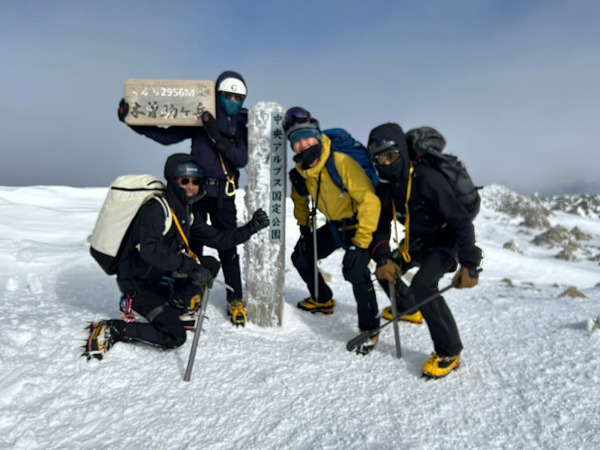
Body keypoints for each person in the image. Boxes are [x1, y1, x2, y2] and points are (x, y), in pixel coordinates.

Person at [83, 153, 269, 360]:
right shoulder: (156, 209)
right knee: (174, 336)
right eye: (184, 181)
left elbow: (218, 240)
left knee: (209, 264)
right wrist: (189, 267)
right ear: (172, 181)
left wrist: (251, 228)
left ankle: (178, 306)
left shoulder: (186, 213)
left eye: (195, 181)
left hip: (162, 277)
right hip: (139, 285)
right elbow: (149, 249)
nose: (191, 186)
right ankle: (113, 328)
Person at [118, 71, 250, 325]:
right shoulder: (199, 115)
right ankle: (192, 293)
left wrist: (214, 133)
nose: (233, 100)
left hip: (224, 193)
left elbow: (240, 159)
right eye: (227, 95)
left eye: (238, 97)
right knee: (192, 245)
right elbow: (168, 136)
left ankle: (235, 298)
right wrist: (135, 123)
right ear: (217, 95)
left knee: (228, 249)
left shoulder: (240, 125)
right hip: (194, 193)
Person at [368, 123, 482, 378]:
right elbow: (380, 226)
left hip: (445, 241)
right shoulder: (387, 187)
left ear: (402, 152)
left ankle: (449, 351)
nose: (386, 163)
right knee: (385, 272)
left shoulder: (427, 179)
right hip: (416, 241)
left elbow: (459, 220)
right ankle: (409, 309)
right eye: (379, 159)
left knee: (423, 286)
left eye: (391, 155)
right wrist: (383, 257)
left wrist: (469, 264)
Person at [284, 107, 382, 355]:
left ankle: (369, 328)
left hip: (360, 223)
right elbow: (299, 201)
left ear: (317, 136)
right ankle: (322, 298)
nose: (303, 145)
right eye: (296, 142)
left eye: (307, 137)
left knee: (355, 269)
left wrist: (361, 245)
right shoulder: (301, 172)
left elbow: (370, 202)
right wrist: (304, 228)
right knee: (301, 256)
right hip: (335, 225)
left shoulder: (340, 162)